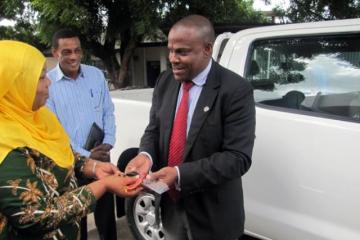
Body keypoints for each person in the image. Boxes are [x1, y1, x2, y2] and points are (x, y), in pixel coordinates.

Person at [125, 15, 256, 240]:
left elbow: (237, 158)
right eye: (170, 50)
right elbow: (154, 129)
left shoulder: (235, 90)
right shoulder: (165, 81)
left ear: (207, 49)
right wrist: (145, 155)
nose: (173, 59)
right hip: (171, 211)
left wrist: (178, 175)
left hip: (214, 216)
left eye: (182, 52)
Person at [0, 40, 142, 240]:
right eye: (40, 77)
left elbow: (59, 155)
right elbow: (37, 217)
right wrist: (104, 185)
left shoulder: (38, 117)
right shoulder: (5, 145)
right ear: (14, 85)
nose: (48, 82)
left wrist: (93, 167)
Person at [46, 29, 117, 240]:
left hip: (102, 156)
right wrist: (86, 155)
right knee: (77, 219)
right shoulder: (48, 85)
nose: (74, 56)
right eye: (66, 52)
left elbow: (108, 111)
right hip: (70, 163)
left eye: (77, 50)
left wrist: (108, 142)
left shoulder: (96, 75)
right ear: (55, 52)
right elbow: (54, 130)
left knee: (106, 216)